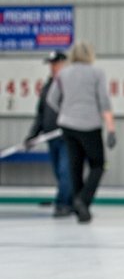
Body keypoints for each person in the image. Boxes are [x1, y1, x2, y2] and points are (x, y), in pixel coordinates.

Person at [46, 41, 117, 224]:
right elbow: (104, 101)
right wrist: (111, 129)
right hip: (90, 125)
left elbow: (51, 99)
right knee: (98, 164)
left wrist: (65, 111)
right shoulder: (96, 73)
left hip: (67, 125)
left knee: (75, 166)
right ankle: (83, 200)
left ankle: (79, 208)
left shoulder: (63, 73)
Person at [25, 50, 72, 217]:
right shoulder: (48, 86)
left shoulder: (70, 85)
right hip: (51, 137)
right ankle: (71, 202)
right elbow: (41, 113)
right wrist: (33, 135)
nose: (52, 67)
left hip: (67, 137)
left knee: (66, 171)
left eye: (56, 64)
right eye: (51, 64)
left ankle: (62, 204)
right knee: (59, 172)